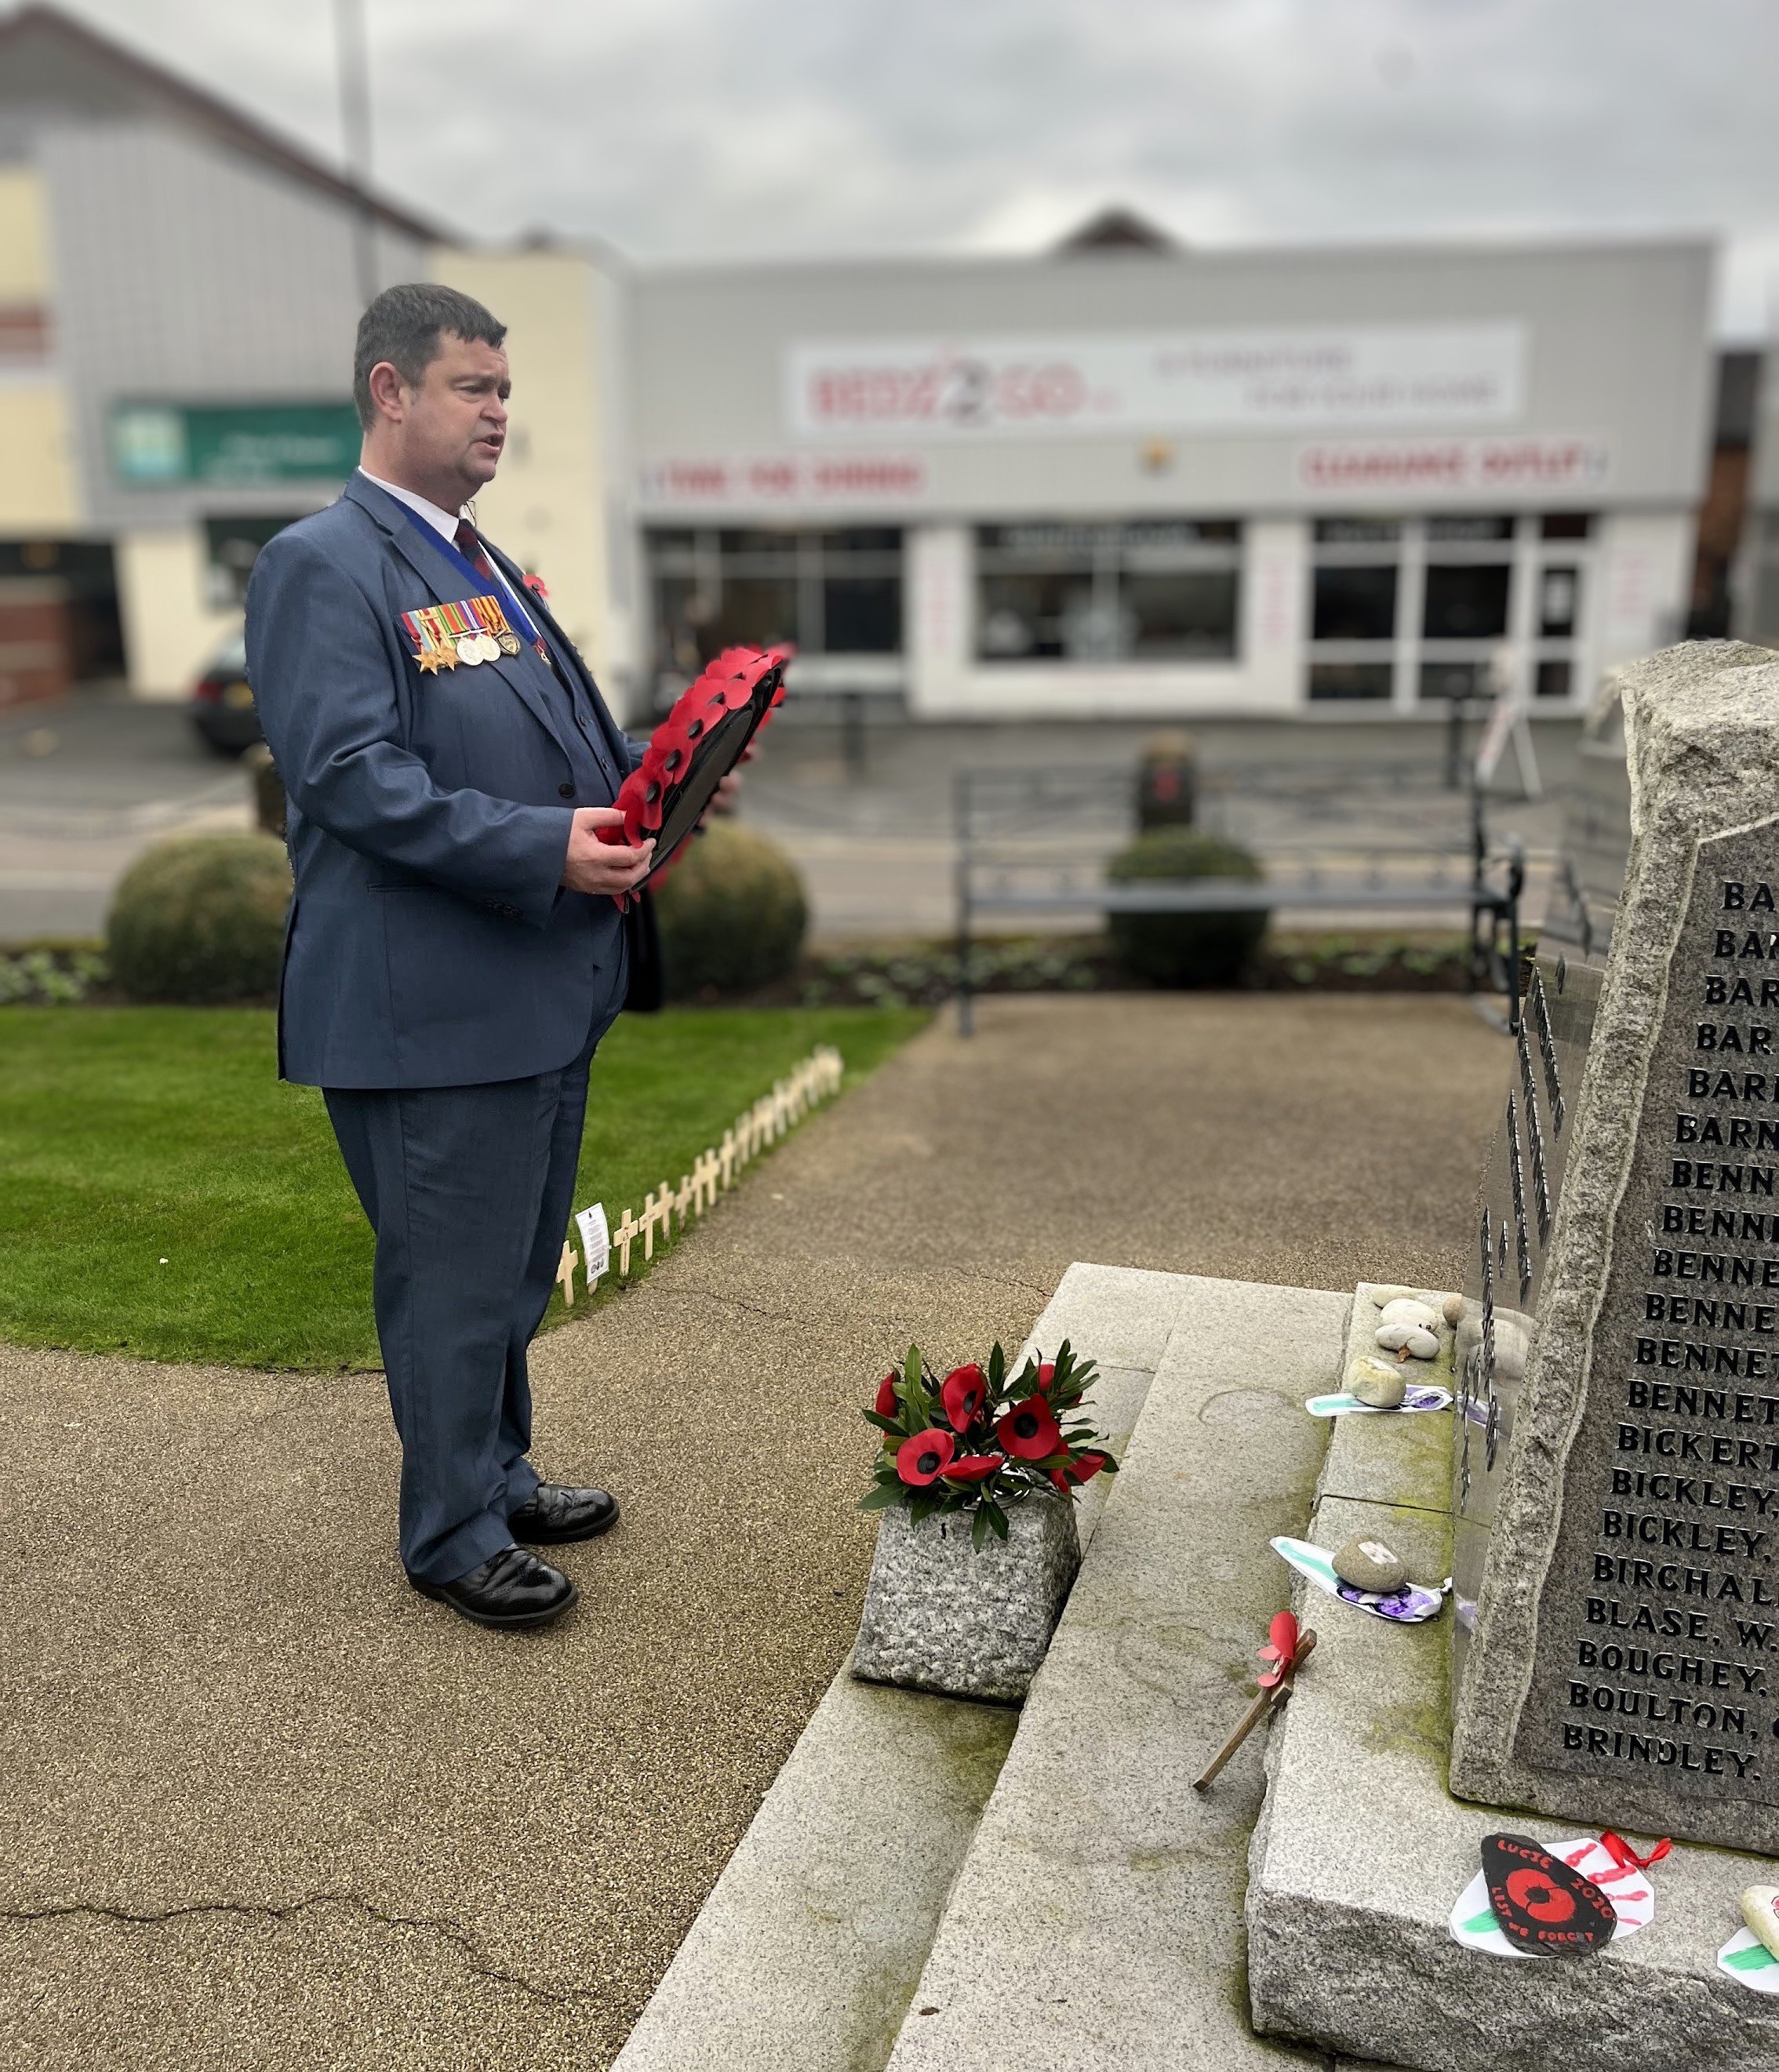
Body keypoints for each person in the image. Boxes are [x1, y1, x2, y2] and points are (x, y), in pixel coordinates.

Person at [247, 282, 656, 1632]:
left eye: (504, 391)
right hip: (426, 1006)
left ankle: (497, 1470)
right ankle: (450, 1532)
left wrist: (645, 800)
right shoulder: (327, 560)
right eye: (474, 388)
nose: (497, 413)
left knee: (510, 1267)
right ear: (390, 390)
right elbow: (352, 776)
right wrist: (546, 847)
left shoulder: (477, 558)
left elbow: (542, 739)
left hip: (524, 988)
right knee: (450, 1280)